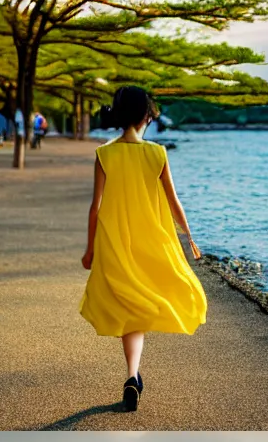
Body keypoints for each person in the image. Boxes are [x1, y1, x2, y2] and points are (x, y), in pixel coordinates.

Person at [79, 84, 206, 411]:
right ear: (146, 116)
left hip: (115, 241)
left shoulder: (104, 154)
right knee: (142, 306)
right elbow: (173, 202)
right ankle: (132, 376)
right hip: (150, 240)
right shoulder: (157, 153)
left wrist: (90, 249)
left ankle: (133, 374)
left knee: (128, 310)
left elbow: (96, 206)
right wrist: (189, 236)